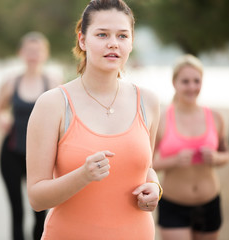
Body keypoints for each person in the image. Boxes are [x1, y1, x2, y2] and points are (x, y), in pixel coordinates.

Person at [26, 1, 162, 239]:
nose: (113, 43)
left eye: (122, 35)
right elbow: (37, 198)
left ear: (131, 42)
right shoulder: (53, 104)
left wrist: (156, 188)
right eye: (102, 34)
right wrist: (83, 175)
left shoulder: (148, 102)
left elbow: (146, 168)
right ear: (82, 40)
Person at [153, 54, 229, 240]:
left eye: (196, 81)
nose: (192, 87)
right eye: (185, 81)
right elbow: (147, 163)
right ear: (174, 83)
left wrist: (215, 158)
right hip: (173, 204)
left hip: (210, 202)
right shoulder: (161, 119)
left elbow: (226, 155)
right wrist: (174, 160)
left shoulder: (216, 117)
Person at [0, 32, 60, 240]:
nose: (33, 55)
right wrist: (2, 119)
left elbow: (63, 116)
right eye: (29, 51)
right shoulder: (12, 81)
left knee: (40, 211)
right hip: (11, 152)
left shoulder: (53, 81)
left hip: (41, 156)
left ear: (45, 53)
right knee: (17, 210)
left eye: (37, 50)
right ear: (21, 53)